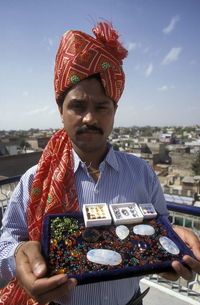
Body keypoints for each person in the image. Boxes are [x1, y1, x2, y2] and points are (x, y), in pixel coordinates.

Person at [0, 22, 200, 305]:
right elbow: (7, 241)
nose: (90, 119)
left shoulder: (141, 173)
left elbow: (161, 226)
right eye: (78, 106)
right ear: (61, 111)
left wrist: (175, 245)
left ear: (115, 111)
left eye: (102, 107)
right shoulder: (35, 180)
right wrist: (18, 253)